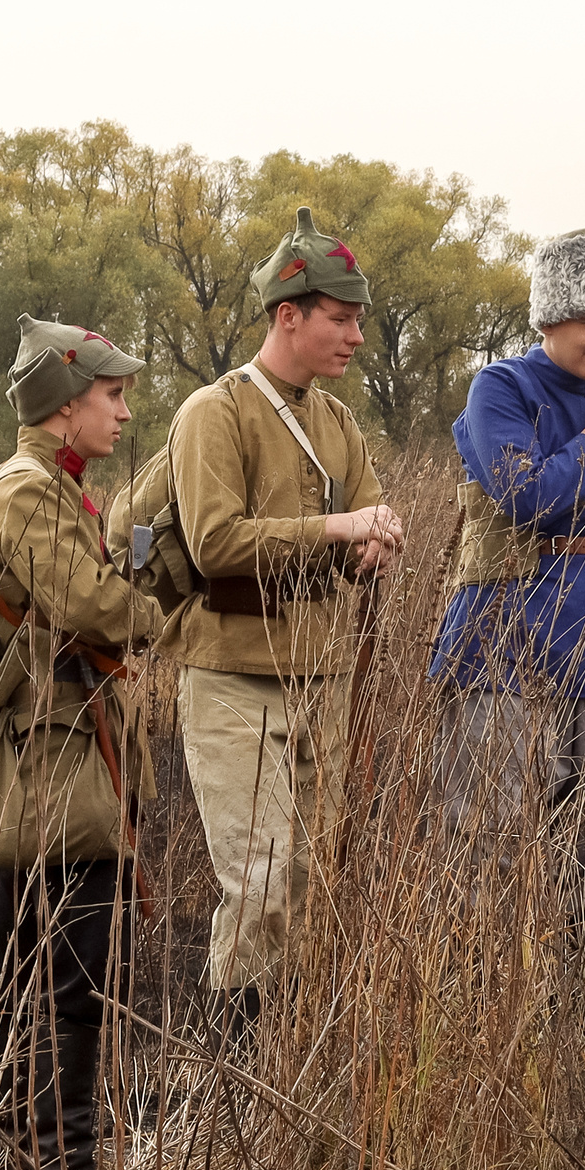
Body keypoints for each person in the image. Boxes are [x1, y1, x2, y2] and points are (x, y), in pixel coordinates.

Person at [167, 208, 399, 1017]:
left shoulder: (337, 422)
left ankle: (284, 1069)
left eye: (358, 321)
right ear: (288, 315)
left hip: (321, 677)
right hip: (232, 678)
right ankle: (232, 1071)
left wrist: (372, 545)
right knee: (258, 879)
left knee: (309, 889)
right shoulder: (213, 412)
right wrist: (338, 527)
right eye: (340, 319)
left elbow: (373, 515)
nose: (355, 338)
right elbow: (214, 543)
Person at [429, 227, 585, 914]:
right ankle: (487, 1008)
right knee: (491, 844)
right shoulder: (500, 390)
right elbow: (527, 498)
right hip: (501, 643)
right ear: (551, 317)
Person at [0, 315, 163, 1170]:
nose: (124, 412)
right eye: (111, 395)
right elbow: (94, 608)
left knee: (37, 968)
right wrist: (157, 602)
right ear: (62, 405)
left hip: (61, 749)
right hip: (52, 758)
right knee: (70, 978)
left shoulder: (55, 485)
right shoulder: (27, 491)